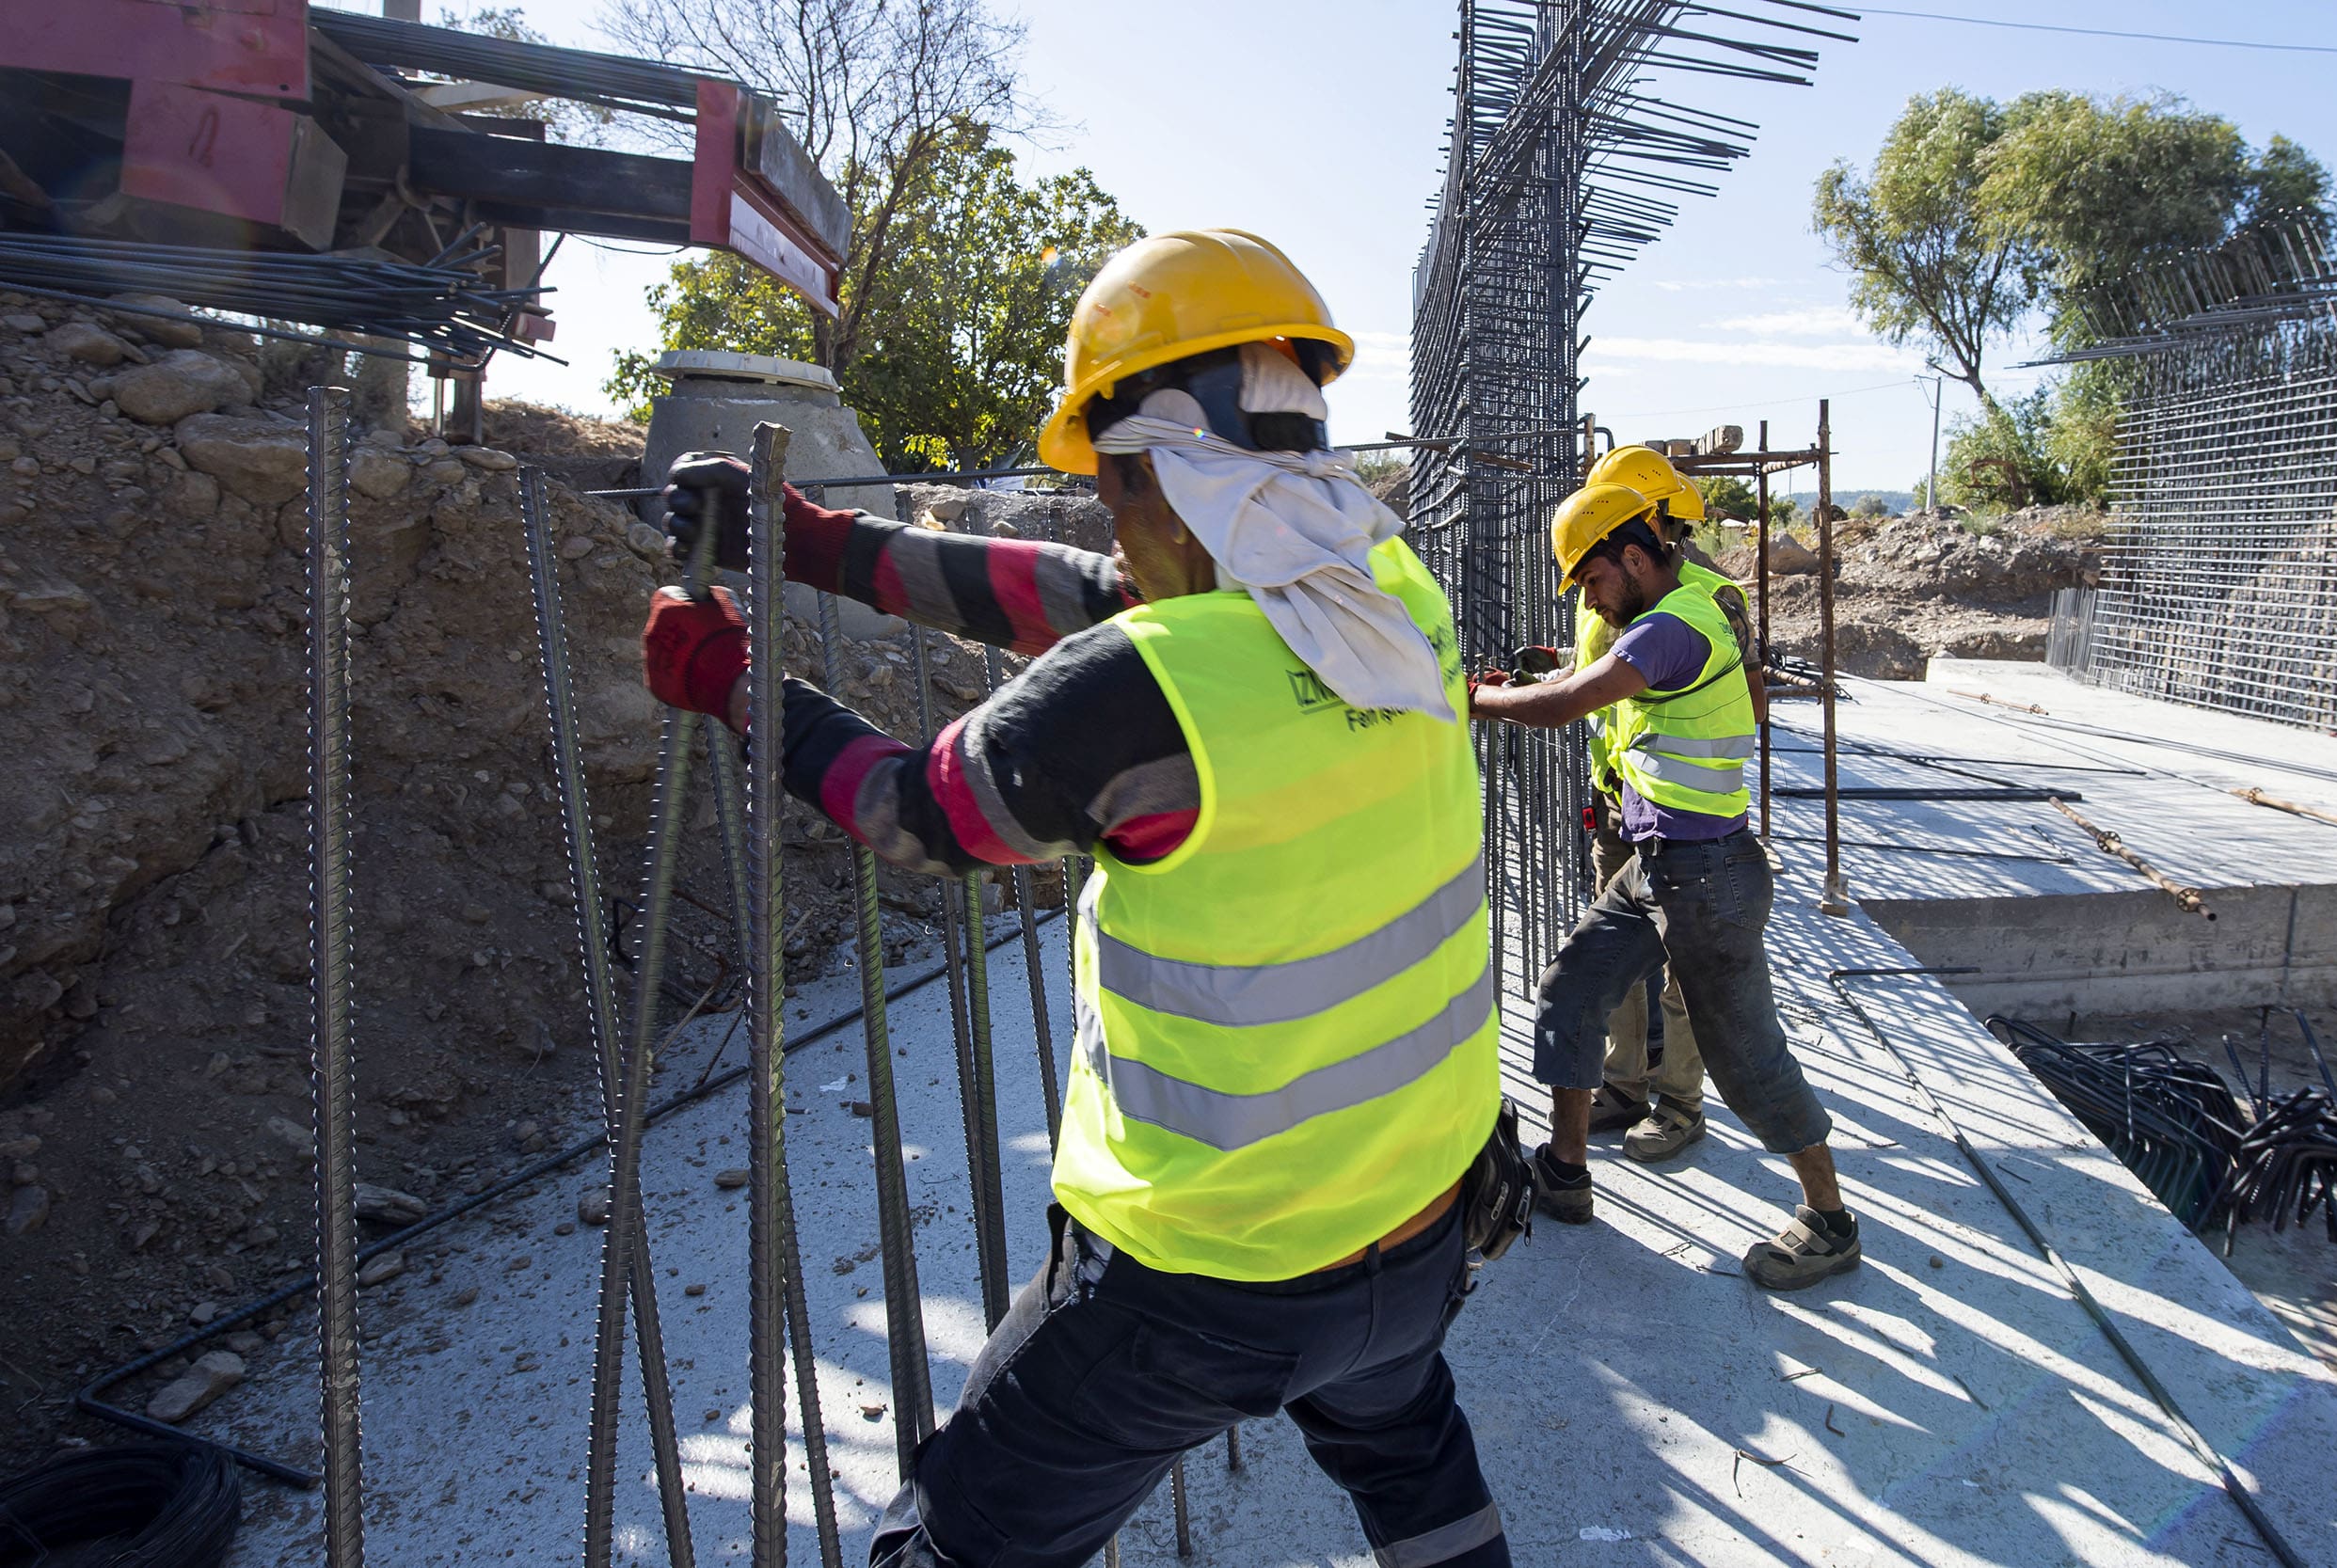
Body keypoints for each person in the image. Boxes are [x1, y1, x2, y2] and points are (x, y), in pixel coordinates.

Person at [641, 229, 1515, 1567]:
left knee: (960, 1540)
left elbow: (918, 809)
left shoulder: (1150, 690)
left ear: (1164, 470)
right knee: (1412, 1467)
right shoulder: (1394, 603)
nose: (1110, 519)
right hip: (1421, 1228)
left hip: (1202, 1282)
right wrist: (818, 543)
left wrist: (734, 680)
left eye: (1112, 486)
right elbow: (1095, 601)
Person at [1469, 481, 1861, 1291]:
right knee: (1571, 988)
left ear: (1636, 557)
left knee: (1746, 1056)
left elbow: (1575, 701)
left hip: (1709, 877)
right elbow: (1597, 679)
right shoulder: (1668, 608)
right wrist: (1552, 669)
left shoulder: (1677, 623)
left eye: (1590, 579)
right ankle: (1565, 1172)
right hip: (1662, 865)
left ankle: (1830, 1219)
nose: (1586, 596)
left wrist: (1482, 699)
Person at [1510, 446, 1764, 1166]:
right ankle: (1624, 1081)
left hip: (1684, 816)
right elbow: (1602, 666)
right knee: (1609, 963)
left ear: (1648, 527)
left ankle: (1680, 1102)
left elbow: (1741, 696)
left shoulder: (1708, 598)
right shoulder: (1620, 587)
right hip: (1619, 801)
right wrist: (1557, 666)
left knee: (1688, 971)